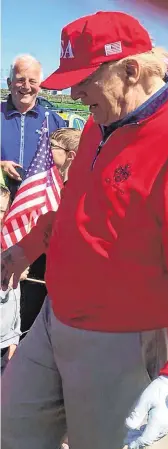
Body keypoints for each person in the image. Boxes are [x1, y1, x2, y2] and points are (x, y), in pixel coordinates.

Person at [1, 11, 168, 449]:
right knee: (12, 430)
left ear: (130, 70)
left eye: (84, 79)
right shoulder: (100, 122)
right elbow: (74, 209)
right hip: (55, 318)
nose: (74, 93)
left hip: (123, 342)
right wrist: (25, 248)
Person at [1, 54, 67, 334]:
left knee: (35, 276)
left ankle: (26, 335)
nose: (26, 86)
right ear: (9, 82)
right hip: (4, 209)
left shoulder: (54, 120)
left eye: (32, 81)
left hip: (40, 212)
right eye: (20, 80)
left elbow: (66, 165)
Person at [0, 185, 28, 371]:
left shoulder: (8, 240)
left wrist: (14, 338)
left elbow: (15, 298)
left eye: (3, 210)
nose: (1, 216)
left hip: (5, 341)